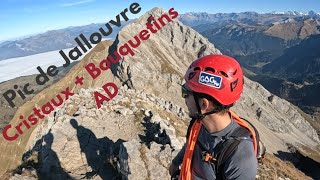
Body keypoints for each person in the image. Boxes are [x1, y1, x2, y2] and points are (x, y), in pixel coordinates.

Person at [169, 54, 257, 180]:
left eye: (185, 93)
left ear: (204, 104)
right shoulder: (199, 124)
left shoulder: (240, 156)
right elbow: (192, 144)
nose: (184, 99)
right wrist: (176, 162)